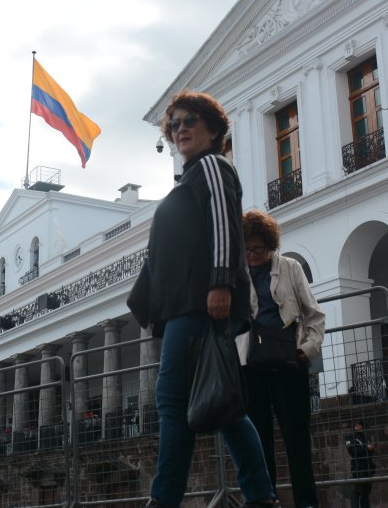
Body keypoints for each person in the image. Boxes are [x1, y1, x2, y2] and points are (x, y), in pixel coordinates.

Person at [126, 90, 279, 508]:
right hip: (185, 306)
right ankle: (262, 498)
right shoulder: (191, 177)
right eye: (173, 124)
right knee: (222, 404)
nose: (180, 129)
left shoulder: (211, 166)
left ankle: (165, 499)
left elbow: (226, 223)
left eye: (189, 120)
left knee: (173, 402)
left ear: (213, 129)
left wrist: (221, 283)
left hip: (201, 303)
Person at [239, 209, 326, 508]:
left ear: (270, 245)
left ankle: (306, 502)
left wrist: (307, 349)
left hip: (289, 361)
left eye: (257, 249)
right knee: (258, 442)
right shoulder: (238, 274)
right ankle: (268, 500)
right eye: (246, 248)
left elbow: (314, 314)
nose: (251, 255)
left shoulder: (289, 267)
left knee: (297, 438)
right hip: (252, 365)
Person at [344, 420, 375, 508]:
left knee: (366, 492)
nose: (362, 427)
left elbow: (368, 453)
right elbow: (353, 452)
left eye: (362, 425)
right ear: (356, 425)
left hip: (367, 467)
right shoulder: (350, 436)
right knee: (356, 491)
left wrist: (371, 449)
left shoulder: (363, 437)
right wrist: (366, 448)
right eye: (360, 425)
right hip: (358, 467)